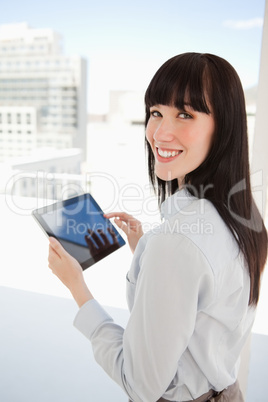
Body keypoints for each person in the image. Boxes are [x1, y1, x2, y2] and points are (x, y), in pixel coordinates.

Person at [48, 53, 268, 402]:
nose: (160, 133)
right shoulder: (244, 216)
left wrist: (78, 288)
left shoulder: (178, 243)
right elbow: (208, 307)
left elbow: (140, 385)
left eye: (185, 114)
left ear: (223, 125)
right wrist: (145, 249)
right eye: (155, 113)